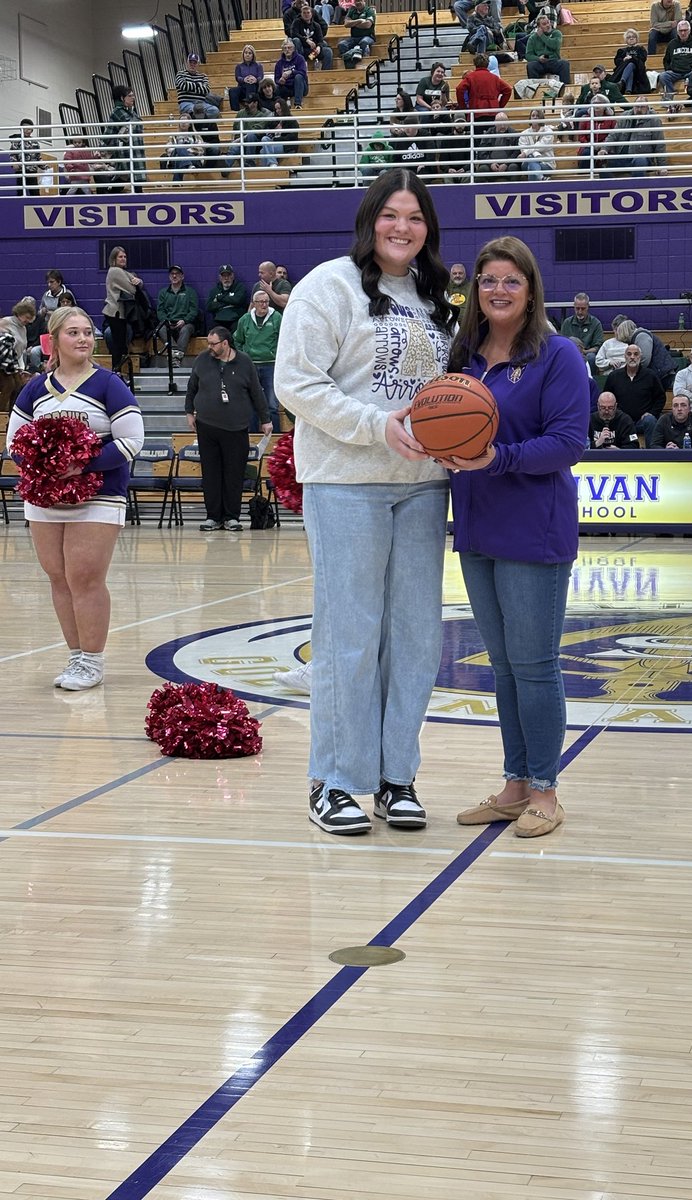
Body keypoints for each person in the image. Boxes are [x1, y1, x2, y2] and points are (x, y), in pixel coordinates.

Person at [273, 168, 455, 836]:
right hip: (346, 479)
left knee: (413, 637)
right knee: (349, 633)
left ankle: (394, 776)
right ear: (370, 219)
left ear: (427, 228)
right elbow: (295, 383)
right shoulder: (328, 285)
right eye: (390, 215)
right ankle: (336, 781)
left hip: (423, 486)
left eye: (414, 217)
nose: (402, 228)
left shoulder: (437, 298)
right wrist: (376, 425)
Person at [444, 236, 589, 838]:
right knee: (503, 667)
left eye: (510, 280)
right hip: (476, 528)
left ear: (530, 290)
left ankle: (546, 790)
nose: (497, 290)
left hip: (534, 530)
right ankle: (514, 784)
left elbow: (568, 443)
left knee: (534, 666)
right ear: (474, 289)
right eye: (487, 280)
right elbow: (447, 427)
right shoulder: (464, 354)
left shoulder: (557, 355)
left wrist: (492, 458)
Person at [6, 306, 144, 690]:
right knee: (58, 577)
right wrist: (43, 467)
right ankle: (76, 657)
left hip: (99, 494)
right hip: (45, 496)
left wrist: (82, 466)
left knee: (84, 576)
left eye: (87, 332)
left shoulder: (109, 384)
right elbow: (13, 442)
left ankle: (93, 661)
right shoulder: (36, 388)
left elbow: (132, 440)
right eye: (74, 333)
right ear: (54, 340)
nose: (84, 339)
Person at [185, 326, 272, 533]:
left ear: (225, 343)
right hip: (206, 426)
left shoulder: (244, 362)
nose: (209, 347)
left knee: (233, 474)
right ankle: (213, 517)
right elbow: (192, 387)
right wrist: (189, 412)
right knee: (211, 474)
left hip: (236, 428)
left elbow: (256, 392)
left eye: (213, 344)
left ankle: (231, 517)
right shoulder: (202, 360)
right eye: (208, 343)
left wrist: (265, 419)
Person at [234, 291, 283, 430]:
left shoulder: (277, 318)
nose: (264, 305)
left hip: (271, 365)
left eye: (266, 301)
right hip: (251, 367)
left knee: (272, 404)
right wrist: (244, 357)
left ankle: (275, 440)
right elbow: (237, 341)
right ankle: (252, 438)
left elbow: (284, 340)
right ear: (254, 303)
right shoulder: (245, 319)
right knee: (251, 403)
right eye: (261, 302)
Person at [604, 343, 666, 442]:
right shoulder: (614, 376)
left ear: (640, 357)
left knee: (650, 420)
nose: (632, 357)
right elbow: (606, 398)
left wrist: (651, 413)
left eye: (636, 354)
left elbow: (660, 398)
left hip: (642, 422)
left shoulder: (650, 375)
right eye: (629, 354)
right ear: (625, 357)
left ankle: (654, 455)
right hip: (621, 421)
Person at [600, 96, 667, 176]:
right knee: (603, 168)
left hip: (642, 158)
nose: (639, 109)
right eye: (637, 107)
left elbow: (659, 145)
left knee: (640, 161)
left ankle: (637, 187)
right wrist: (604, 149)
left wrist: (661, 166)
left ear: (647, 108)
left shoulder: (654, 120)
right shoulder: (624, 116)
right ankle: (612, 188)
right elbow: (613, 135)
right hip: (621, 157)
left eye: (642, 107)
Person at [103, 246, 142, 375]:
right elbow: (133, 289)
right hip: (115, 312)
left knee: (121, 343)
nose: (123, 259)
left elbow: (138, 283)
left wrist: (138, 281)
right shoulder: (115, 271)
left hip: (119, 313)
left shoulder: (122, 271)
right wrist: (136, 282)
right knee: (118, 344)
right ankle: (116, 371)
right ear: (113, 258)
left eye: (125, 256)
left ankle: (118, 371)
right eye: (120, 256)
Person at [103, 85, 147, 192]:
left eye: (133, 95)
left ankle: (108, 193)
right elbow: (108, 134)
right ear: (122, 98)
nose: (133, 98)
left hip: (136, 148)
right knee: (131, 176)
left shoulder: (131, 111)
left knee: (127, 177)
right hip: (126, 150)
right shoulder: (118, 112)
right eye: (130, 96)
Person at [614, 316, 677, 390]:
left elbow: (645, 360)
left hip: (663, 376)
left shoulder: (641, 337)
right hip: (659, 374)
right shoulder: (637, 337)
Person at [156, 265, 199, 365]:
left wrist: (185, 320)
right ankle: (175, 353)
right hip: (168, 323)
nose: (174, 276)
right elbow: (160, 311)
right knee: (160, 329)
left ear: (182, 276)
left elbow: (194, 310)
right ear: (169, 276)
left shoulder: (190, 292)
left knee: (186, 329)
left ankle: (176, 357)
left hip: (185, 323)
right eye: (172, 274)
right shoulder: (163, 292)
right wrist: (166, 321)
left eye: (177, 274)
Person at [455, 54, 512, 125]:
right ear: (487, 64)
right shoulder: (495, 78)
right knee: (491, 134)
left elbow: (459, 89)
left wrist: (463, 107)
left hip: (476, 111)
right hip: (493, 111)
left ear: (475, 63)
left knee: (477, 134)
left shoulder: (470, 77)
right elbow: (508, 90)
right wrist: (499, 106)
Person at [0, 299, 36, 411]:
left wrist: (21, 368)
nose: (28, 320)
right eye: (26, 317)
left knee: (19, 386)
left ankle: (12, 412)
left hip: (13, 364)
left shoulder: (23, 328)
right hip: (3, 363)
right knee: (9, 385)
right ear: (19, 314)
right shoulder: (5, 322)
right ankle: (2, 413)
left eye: (30, 318)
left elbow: (21, 349)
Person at [658, 21, 692, 105]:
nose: (683, 33)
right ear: (677, 32)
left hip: (691, 71)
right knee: (663, 76)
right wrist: (669, 69)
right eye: (681, 31)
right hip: (675, 72)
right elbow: (666, 60)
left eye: (685, 30)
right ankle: (669, 99)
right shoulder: (672, 44)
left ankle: (691, 97)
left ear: (689, 31)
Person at [221, 96, 270, 177]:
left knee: (251, 136)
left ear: (255, 103)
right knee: (234, 148)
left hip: (255, 144)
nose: (246, 104)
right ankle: (225, 167)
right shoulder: (240, 113)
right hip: (241, 142)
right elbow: (235, 130)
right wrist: (233, 141)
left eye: (249, 102)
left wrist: (237, 140)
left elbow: (255, 132)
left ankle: (249, 162)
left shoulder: (262, 116)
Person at [560, 294, 603, 372]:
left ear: (588, 307)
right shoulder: (567, 323)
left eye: (583, 309)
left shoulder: (596, 323)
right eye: (577, 308)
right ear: (574, 306)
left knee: (591, 357)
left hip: (588, 354)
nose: (580, 312)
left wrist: (584, 352)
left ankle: (590, 380)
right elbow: (562, 344)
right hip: (570, 354)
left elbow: (598, 347)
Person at [525, 14, 570, 86]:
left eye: (548, 22)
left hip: (554, 61)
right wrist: (538, 58)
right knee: (530, 66)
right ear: (539, 27)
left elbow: (555, 46)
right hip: (540, 63)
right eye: (544, 24)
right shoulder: (532, 38)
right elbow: (528, 55)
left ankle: (565, 88)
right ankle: (533, 88)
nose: (548, 25)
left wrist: (542, 36)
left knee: (564, 64)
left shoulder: (556, 33)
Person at [289, 3, 334, 70]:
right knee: (296, 40)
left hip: (312, 53)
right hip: (301, 50)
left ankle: (325, 73)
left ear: (311, 14)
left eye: (308, 13)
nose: (306, 15)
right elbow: (293, 34)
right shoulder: (297, 22)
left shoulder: (316, 25)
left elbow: (320, 40)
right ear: (301, 14)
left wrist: (319, 47)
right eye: (304, 13)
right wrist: (306, 40)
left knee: (328, 51)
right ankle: (300, 64)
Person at [176, 53, 222, 118]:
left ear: (198, 65)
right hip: (186, 103)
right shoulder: (180, 74)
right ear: (187, 63)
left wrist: (190, 86)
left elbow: (206, 90)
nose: (192, 65)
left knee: (214, 110)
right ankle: (199, 121)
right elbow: (183, 86)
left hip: (201, 103)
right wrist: (198, 85)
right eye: (190, 62)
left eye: (195, 63)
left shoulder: (203, 76)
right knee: (194, 110)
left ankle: (200, 123)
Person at [207, 265, 249, 333]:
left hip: (235, 319)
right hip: (219, 320)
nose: (226, 278)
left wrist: (219, 298)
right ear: (220, 277)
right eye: (224, 276)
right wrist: (230, 301)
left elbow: (238, 300)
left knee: (237, 332)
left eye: (228, 275)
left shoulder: (239, 287)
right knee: (212, 333)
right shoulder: (214, 290)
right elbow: (209, 307)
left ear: (233, 276)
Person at [162, 114, 204, 183]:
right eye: (181, 121)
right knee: (179, 149)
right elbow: (169, 149)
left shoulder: (195, 136)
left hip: (193, 159)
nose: (183, 123)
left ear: (190, 124)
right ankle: (189, 166)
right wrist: (181, 150)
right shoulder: (173, 137)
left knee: (179, 156)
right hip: (175, 159)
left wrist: (184, 152)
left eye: (186, 121)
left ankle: (176, 183)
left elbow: (200, 149)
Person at [612, 28, 651, 94]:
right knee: (630, 67)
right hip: (625, 70)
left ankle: (622, 82)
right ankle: (628, 90)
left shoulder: (641, 49)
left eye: (633, 37)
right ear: (626, 39)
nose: (631, 38)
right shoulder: (621, 51)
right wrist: (624, 60)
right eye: (629, 37)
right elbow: (617, 62)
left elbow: (643, 59)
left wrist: (631, 58)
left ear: (636, 39)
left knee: (631, 64)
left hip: (639, 72)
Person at [338, 0, 376, 66]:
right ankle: (348, 62)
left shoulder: (369, 10)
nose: (358, 3)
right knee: (342, 44)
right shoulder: (352, 10)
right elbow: (346, 24)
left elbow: (367, 25)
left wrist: (353, 23)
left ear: (364, 1)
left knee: (364, 42)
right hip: (354, 37)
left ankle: (363, 65)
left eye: (360, 1)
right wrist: (359, 20)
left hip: (368, 36)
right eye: (356, 1)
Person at [10, 118, 41, 197]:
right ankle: (19, 207)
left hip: (32, 170)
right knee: (20, 191)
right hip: (21, 170)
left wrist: (45, 166)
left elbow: (38, 156)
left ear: (32, 130)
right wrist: (14, 163)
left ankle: (35, 205)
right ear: (21, 129)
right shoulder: (16, 141)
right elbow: (13, 153)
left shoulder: (35, 143)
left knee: (35, 192)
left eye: (29, 129)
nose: (27, 131)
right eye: (25, 128)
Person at [274, 38, 309, 107]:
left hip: (300, 87)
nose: (287, 50)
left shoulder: (300, 58)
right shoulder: (279, 63)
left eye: (289, 48)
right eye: (285, 48)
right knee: (277, 88)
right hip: (287, 87)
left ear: (293, 49)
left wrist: (292, 72)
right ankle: (280, 108)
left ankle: (298, 104)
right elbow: (276, 79)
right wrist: (280, 81)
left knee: (298, 77)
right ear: (282, 50)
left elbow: (303, 73)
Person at [230, 44, 264, 111]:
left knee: (250, 84)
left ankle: (249, 107)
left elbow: (261, 76)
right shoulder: (239, 66)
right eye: (246, 53)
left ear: (253, 55)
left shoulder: (258, 65)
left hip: (255, 87)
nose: (247, 55)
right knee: (232, 91)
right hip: (243, 87)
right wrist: (244, 79)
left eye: (249, 53)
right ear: (243, 54)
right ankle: (235, 112)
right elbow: (237, 77)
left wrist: (255, 80)